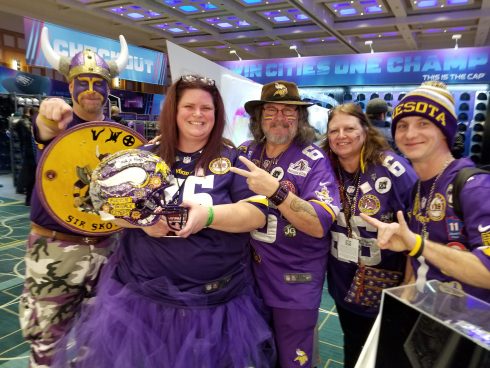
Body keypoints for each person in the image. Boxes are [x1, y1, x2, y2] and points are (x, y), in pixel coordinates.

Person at [53, 74, 276, 368]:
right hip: (142, 300)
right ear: (174, 110)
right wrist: (143, 222)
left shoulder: (234, 160)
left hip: (215, 301)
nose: (198, 114)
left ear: (217, 114)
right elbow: (110, 208)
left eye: (206, 108)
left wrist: (207, 216)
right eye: (189, 106)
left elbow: (256, 214)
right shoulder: (142, 157)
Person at [18, 27, 128, 367]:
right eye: (83, 82)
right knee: (47, 340)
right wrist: (47, 116)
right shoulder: (59, 122)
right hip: (56, 249)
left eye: (99, 83)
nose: (92, 91)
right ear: (69, 86)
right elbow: (45, 129)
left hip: (108, 248)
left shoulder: (122, 137)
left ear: (110, 88)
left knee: (97, 339)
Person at [231, 80, 340, 368]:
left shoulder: (315, 160)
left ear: (300, 117)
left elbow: (318, 224)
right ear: (258, 118)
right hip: (248, 279)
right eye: (271, 110)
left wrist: (277, 191)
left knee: (295, 360)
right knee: (256, 355)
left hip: (293, 284)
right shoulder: (246, 152)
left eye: (288, 111)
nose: (279, 118)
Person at [361, 81, 490, 303]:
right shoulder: (418, 188)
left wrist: (416, 243)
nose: (410, 134)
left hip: (467, 329)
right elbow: (417, 257)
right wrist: (404, 296)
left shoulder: (475, 186)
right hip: (425, 319)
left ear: (444, 131)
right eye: (402, 126)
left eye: (423, 124)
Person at [320, 103, 417, 368]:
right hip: (342, 280)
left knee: (385, 352)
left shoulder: (394, 170)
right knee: (352, 343)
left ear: (365, 129)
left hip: (384, 283)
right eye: (334, 130)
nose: (342, 135)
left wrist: (408, 290)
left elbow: (417, 233)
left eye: (350, 128)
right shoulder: (323, 167)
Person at [14, 106, 37, 205]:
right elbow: (26, 137)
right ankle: (28, 198)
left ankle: (27, 195)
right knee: (30, 176)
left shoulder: (25, 122)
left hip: (30, 151)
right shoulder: (25, 123)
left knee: (29, 175)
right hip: (29, 152)